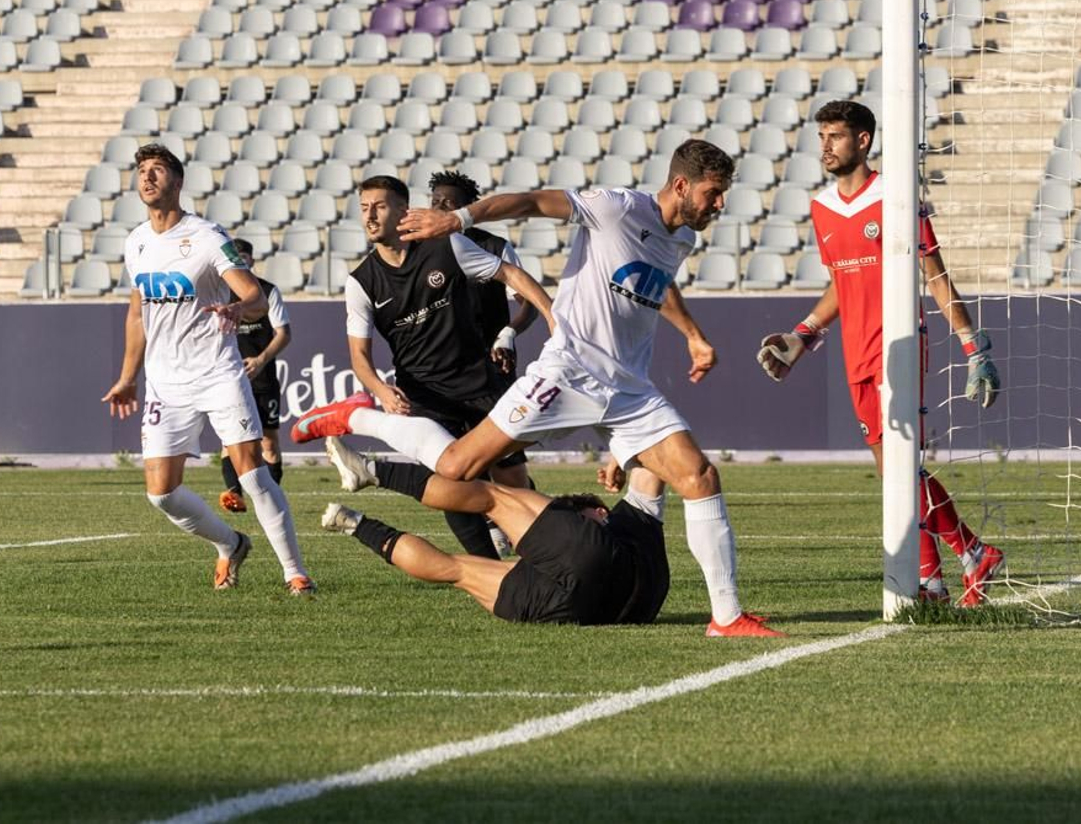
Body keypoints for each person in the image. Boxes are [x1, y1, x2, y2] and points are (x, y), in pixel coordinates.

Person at [295, 140, 783, 638]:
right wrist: (457, 220)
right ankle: (357, 417)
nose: (720, 204)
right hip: (568, 373)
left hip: (630, 390)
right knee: (458, 466)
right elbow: (531, 201)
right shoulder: (615, 207)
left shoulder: (680, 240)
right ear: (681, 185)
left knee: (699, 476)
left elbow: (658, 281)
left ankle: (726, 617)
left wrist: (694, 335)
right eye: (713, 193)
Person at [756, 100, 1005, 606]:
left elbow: (934, 273)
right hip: (855, 350)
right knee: (895, 470)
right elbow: (841, 284)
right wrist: (800, 336)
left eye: (836, 136)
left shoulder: (895, 196)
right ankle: (968, 557)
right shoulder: (822, 206)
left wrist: (973, 347)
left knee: (902, 464)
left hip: (901, 343)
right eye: (821, 135)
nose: (825, 145)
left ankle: (936, 577)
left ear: (863, 141)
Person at [101, 143, 314, 596]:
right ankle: (231, 544)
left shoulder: (206, 236)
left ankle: (294, 572)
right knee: (161, 493)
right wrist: (127, 377)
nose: (147, 177)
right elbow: (137, 314)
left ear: (177, 183)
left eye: (157, 170)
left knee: (251, 471)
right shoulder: (136, 241)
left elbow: (254, 296)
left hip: (217, 372)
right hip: (165, 382)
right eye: (141, 170)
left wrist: (239, 308)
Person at [339, 174, 556, 560]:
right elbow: (359, 357)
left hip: (481, 383)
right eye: (364, 208)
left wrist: (552, 318)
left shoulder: (448, 246)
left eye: (380, 206)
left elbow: (513, 276)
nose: (370, 216)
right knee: (451, 484)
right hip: (424, 396)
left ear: (403, 211)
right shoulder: (360, 282)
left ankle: (537, 555)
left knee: (511, 478)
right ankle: (490, 569)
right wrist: (381, 390)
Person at [322, 454, 670, 626]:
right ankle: (352, 523)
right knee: (454, 569)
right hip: (632, 609)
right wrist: (622, 456)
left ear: (598, 513)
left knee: (492, 497)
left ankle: (374, 471)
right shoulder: (640, 526)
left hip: (594, 568)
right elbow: (655, 458)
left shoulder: (611, 524)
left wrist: (618, 459)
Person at [427, 170, 541, 377]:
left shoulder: (495, 247)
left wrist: (507, 335)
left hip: (491, 362)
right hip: (438, 367)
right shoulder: (417, 247)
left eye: (448, 202)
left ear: (469, 208)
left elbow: (530, 304)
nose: (440, 208)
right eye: (435, 201)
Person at [217, 238, 292, 514]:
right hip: (230, 377)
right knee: (230, 440)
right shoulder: (220, 292)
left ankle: (272, 498)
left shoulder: (268, 292)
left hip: (263, 377)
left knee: (269, 441)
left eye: (244, 257)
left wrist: (260, 361)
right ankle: (234, 494)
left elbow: (284, 334)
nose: (240, 262)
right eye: (235, 258)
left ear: (251, 260)